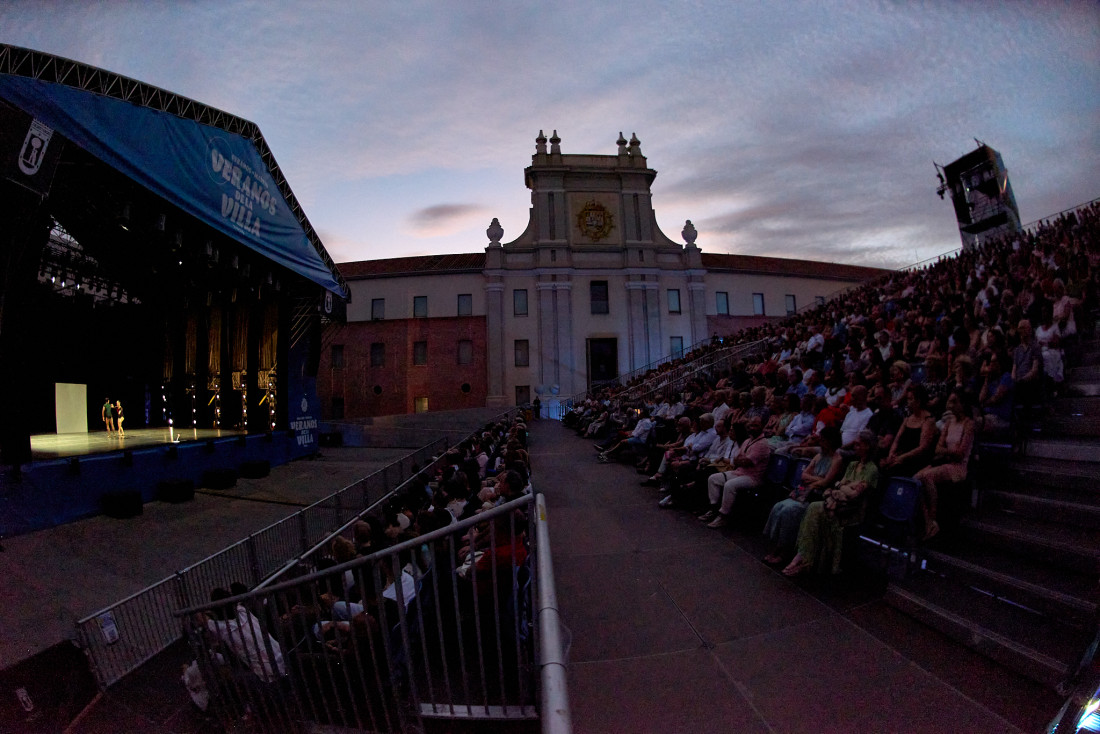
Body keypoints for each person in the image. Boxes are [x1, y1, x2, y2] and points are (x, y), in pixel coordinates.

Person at [783, 430, 879, 577]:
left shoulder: (872, 470)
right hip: (837, 504)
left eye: (859, 444)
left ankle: (805, 559)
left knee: (815, 509)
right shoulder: (852, 465)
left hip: (852, 510)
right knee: (813, 511)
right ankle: (803, 557)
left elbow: (854, 494)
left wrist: (844, 486)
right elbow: (839, 486)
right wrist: (846, 486)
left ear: (867, 446)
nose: (855, 446)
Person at [763, 426, 844, 564]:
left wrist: (814, 479)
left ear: (831, 441)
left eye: (823, 440)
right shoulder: (818, 456)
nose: (821, 443)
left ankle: (785, 550)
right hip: (806, 492)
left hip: (817, 497)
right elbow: (803, 475)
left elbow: (826, 482)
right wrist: (817, 478)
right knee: (779, 506)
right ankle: (777, 545)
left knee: (790, 511)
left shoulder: (837, 460)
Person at [914, 390, 975, 540]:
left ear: (962, 404)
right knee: (915, 478)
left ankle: (933, 519)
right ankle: (929, 521)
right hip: (946, 462)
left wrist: (947, 451)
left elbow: (961, 454)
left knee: (927, 476)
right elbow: (938, 449)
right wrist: (949, 451)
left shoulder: (969, 424)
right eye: (949, 401)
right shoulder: (948, 423)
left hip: (958, 467)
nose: (950, 405)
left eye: (954, 401)